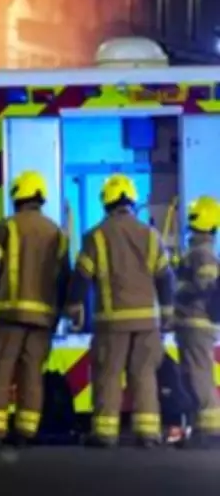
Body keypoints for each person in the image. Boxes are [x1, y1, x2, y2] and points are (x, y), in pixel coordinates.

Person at [64, 173, 175, 448]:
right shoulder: (151, 236)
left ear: (106, 202)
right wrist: (168, 312)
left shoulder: (97, 236)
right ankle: (148, 433)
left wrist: (73, 307)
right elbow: (165, 277)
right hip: (148, 323)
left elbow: (82, 276)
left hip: (111, 324)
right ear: (131, 200)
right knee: (145, 376)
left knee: (108, 376)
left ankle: (105, 433)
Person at [0, 170, 70, 446]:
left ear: (17, 197)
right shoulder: (57, 232)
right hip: (42, 317)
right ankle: (26, 431)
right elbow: (65, 275)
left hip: (9, 314)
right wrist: (60, 311)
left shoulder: (7, 227)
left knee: (0, 369)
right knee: (32, 373)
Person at [174, 195, 220, 446]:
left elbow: (205, 283)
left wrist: (180, 289)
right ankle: (200, 429)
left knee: (199, 377)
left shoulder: (202, 254)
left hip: (196, 322)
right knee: (192, 376)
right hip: (192, 324)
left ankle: (211, 431)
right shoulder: (198, 251)